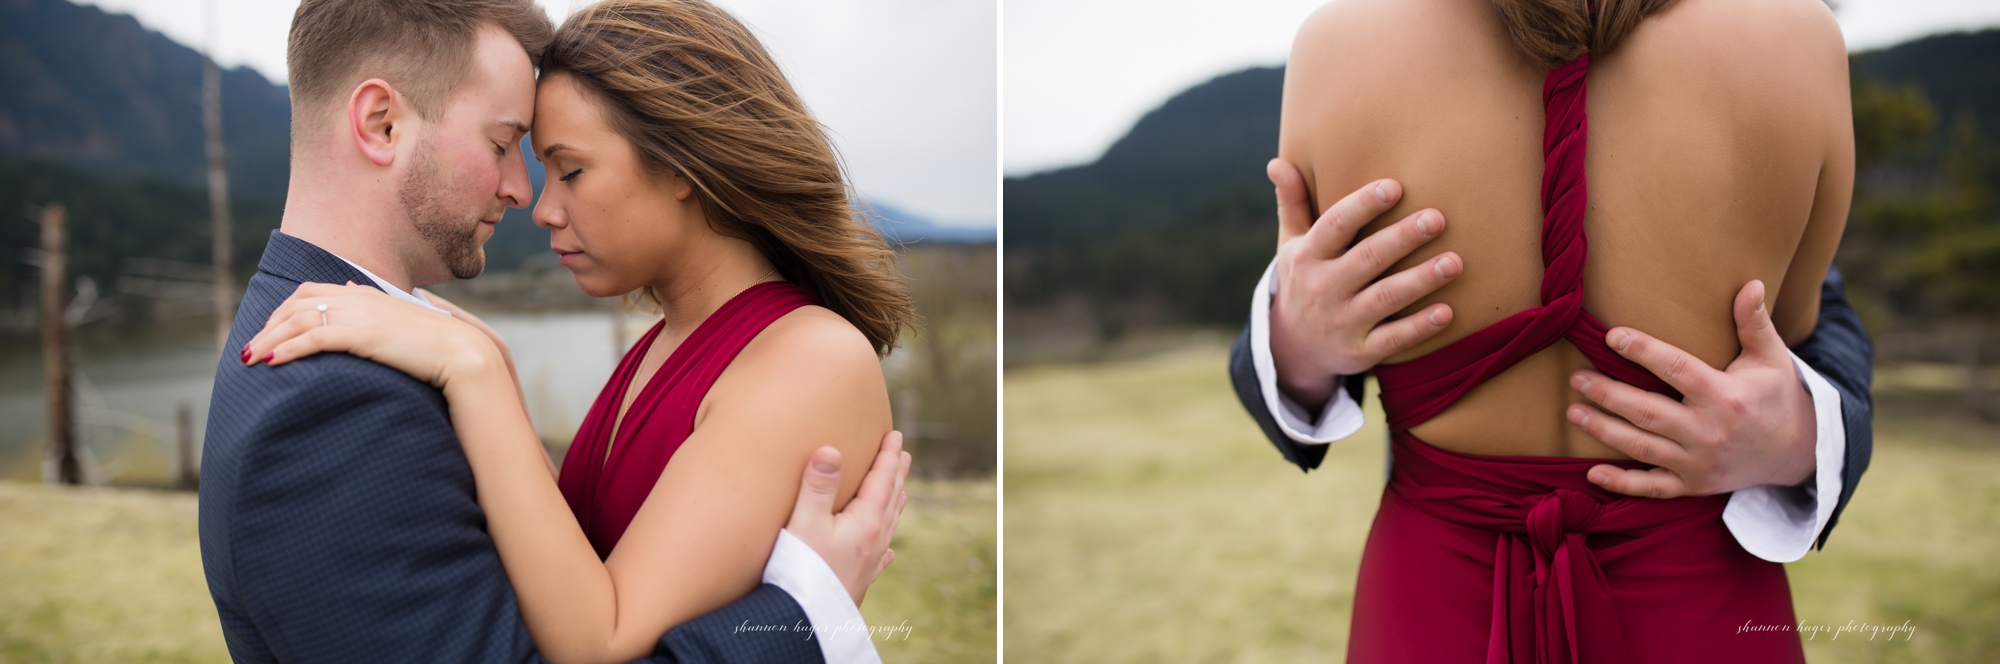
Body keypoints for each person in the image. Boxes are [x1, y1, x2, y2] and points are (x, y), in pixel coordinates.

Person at [201, 1, 909, 662]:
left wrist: (480, 366)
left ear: (683, 165)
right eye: (511, 148)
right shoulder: (327, 406)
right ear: (382, 122)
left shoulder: (803, 356)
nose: (532, 201)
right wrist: (807, 615)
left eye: (566, 169)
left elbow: (597, 626)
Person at [1227, 0, 1868, 660]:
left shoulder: (1339, 43)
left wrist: (1294, 342)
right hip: (1703, 602)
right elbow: (1796, 328)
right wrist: (1801, 427)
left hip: (1430, 602)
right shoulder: (1794, 33)